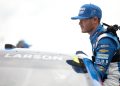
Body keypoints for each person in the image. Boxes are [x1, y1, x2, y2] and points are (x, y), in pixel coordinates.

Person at [71, 4, 120, 86]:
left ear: (95, 20)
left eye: (83, 20)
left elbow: (97, 74)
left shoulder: (105, 40)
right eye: (79, 20)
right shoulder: (97, 37)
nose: (79, 23)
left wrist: (84, 59)